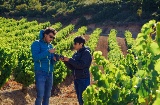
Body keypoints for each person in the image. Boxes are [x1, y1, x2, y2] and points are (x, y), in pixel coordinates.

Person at [61, 36, 92, 105]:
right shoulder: (76, 53)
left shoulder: (86, 53)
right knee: (79, 99)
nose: (74, 45)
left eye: (75, 43)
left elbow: (81, 65)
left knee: (83, 100)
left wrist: (69, 60)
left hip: (83, 78)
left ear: (81, 44)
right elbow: (73, 67)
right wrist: (65, 61)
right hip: (77, 78)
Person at [31, 27, 57, 105]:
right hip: (40, 72)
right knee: (40, 95)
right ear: (45, 35)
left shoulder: (50, 46)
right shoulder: (36, 43)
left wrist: (54, 60)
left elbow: (51, 61)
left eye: (53, 37)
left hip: (50, 73)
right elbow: (35, 57)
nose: (52, 39)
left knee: (47, 96)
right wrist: (48, 52)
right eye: (50, 36)